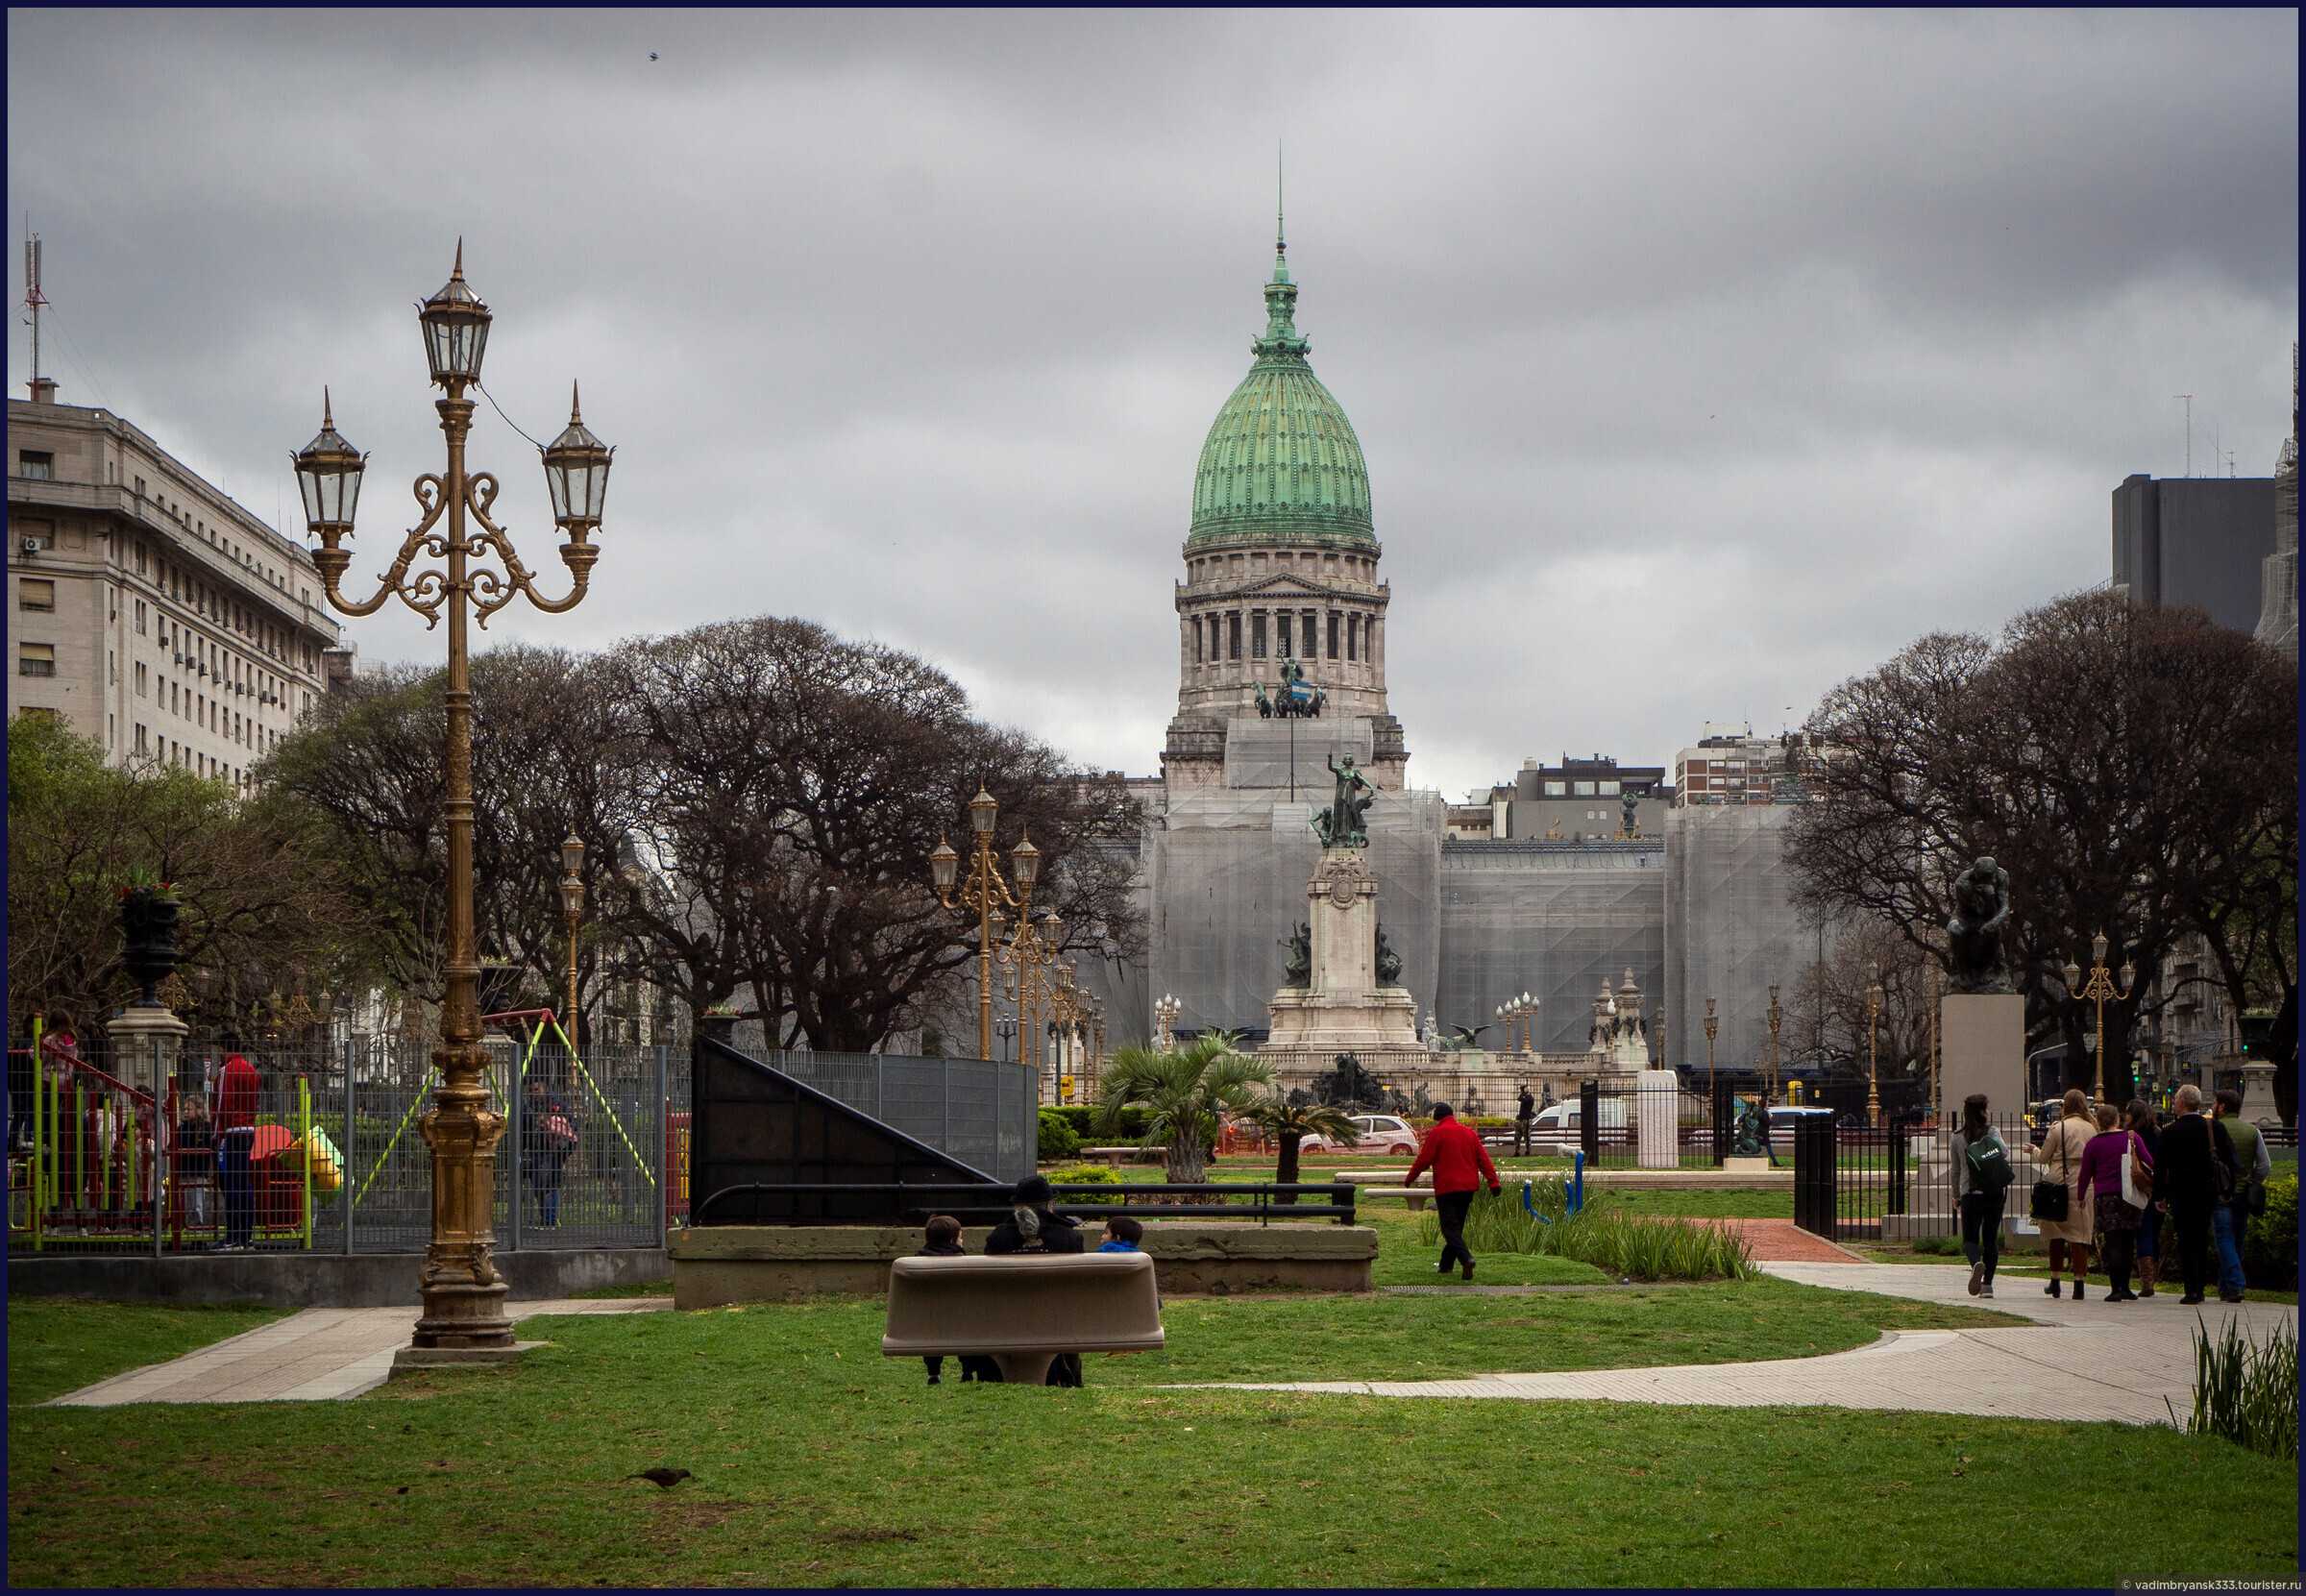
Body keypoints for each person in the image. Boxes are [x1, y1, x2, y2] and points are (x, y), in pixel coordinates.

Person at [985, 1174, 1085, 1387]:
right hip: (1058, 1318)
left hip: (1008, 1317)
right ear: (1050, 1204)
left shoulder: (998, 1237)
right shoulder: (1068, 1236)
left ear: (1018, 1206)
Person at [2155, 1084, 2239, 1305]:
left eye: (2175, 1100)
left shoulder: (2170, 1131)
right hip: (2207, 1191)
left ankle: (2191, 1289)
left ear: (2182, 1103)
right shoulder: (2214, 1128)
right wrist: (2229, 1188)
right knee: (2201, 1238)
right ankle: (2200, 1286)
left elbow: (2160, 1167)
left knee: (2185, 1239)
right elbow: (2231, 1160)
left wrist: (2159, 1196)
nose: (2173, 1103)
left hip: (2180, 1193)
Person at [1404, 1102, 1501, 1281]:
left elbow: (1423, 1160)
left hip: (1447, 1187)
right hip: (1468, 1188)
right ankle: (1446, 1265)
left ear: (1437, 1118)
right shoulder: (1469, 1133)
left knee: (1449, 1228)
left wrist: (1410, 1178)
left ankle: (1466, 1259)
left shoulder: (1437, 1133)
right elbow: (1484, 1160)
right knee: (1456, 1227)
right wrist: (1493, 1183)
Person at [2076, 1101, 2152, 1302]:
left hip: (2105, 1197)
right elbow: (2149, 1161)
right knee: (2128, 1242)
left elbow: (2085, 1174)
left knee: (2113, 1243)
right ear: (2118, 1119)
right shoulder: (2131, 1137)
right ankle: (2126, 1287)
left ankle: (2115, 1287)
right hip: (2129, 1196)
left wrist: (2081, 1196)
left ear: (2098, 1122)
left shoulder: (2094, 1144)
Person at [2034, 1089, 2097, 1300]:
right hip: (2084, 1182)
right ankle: (2079, 1284)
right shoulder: (2091, 1128)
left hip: (2059, 1181)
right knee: (2080, 1236)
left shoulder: (2058, 1128)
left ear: (2065, 1106)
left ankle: (2055, 1280)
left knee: (2056, 1233)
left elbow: (2043, 1158)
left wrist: (2033, 1151)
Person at [2212, 1090, 2270, 1303]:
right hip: (2243, 1194)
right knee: (2237, 1240)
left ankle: (2236, 1284)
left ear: (2223, 1107)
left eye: (2216, 1103)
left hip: (2220, 1193)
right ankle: (2225, 1287)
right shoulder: (2252, 1131)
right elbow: (2265, 1165)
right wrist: (2252, 1180)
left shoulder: (2213, 1130)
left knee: (2224, 1239)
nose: (2214, 1106)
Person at [1952, 1093, 2013, 1299]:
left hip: (1970, 1193)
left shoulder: (1957, 1137)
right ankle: (1987, 1285)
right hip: (1993, 1192)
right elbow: (2004, 1152)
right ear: (1982, 1111)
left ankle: (1975, 1262)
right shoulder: (1992, 1131)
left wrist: (1955, 1195)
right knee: (1990, 1239)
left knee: (1970, 1238)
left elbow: (1956, 1170)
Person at [213, 1050, 258, 1252]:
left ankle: (232, 1236)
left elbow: (222, 1104)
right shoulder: (250, 1069)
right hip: (248, 1129)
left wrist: (217, 1134)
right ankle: (246, 1236)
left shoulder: (226, 1071)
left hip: (231, 1131)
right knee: (244, 1183)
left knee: (231, 1184)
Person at [917, 1214, 968, 1386]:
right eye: (961, 1237)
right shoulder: (963, 1263)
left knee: (931, 1326)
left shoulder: (917, 1263)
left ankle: (933, 1372)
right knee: (969, 1326)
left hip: (928, 1324)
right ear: (953, 1241)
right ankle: (967, 1371)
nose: (962, 1241)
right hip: (961, 1323)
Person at [522, 1076, 576, 1229]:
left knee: (550, 1184)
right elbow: (524, 1128)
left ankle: (550, 1220)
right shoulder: (529, 1106)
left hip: (553, 1150)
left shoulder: (556, 1104)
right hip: (536, 1150)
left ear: (545, 1088)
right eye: (531, 1090)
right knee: (539, 1185)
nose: (533, 1093)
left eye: (536, 1089)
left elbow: (569, 1125)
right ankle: (546, 1218)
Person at [2125, 1100, 2164, 1297]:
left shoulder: (2130, 1135)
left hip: (2134, 1188)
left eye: (2128, 1113)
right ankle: (2151, 1277)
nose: (2125, 1116)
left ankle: (2145, 1279)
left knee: (2140, 1233)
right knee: (2151, 1233)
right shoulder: (2157, 1133)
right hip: (2154, 1187)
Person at [1513, 1086, 1536, 1157]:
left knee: (1526, 1137)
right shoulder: (1523, 1096)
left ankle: (1528, 1151)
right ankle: (1517, 1151)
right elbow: (1519, 1099)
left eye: (1523, 1089)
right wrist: (1522, 1093)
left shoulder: (1530, 1098)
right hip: (1520, 1119)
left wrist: (1523, 1094)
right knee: (1517, 1136)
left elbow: (1525, 1101)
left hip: (1526, 1120)